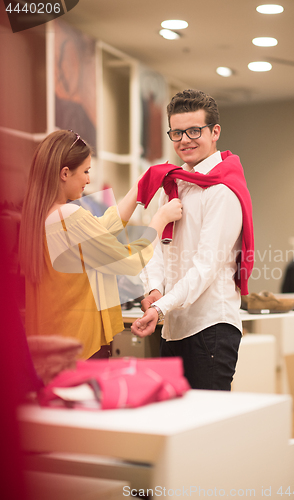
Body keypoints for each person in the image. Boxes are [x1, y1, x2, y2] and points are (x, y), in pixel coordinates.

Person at [19, 130, 182, 359]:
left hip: (52, 345)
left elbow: (103, 227)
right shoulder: (69, 217)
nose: (88, 179)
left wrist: (141, 186)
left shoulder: (41, 217)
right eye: (85, 172)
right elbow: (129, 262)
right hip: (79, 345)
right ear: (65, 173)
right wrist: (160, 218)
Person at [131, 89, 254, 390]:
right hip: (174, 327)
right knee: (176, 425)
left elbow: (205, 267)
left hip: (211, 326)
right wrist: (155, 289)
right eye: (176, 132)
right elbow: (159, 247)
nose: (184, 140)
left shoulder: (222, 190)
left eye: (194, 131)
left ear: (215, 132)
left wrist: (161, 308)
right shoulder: (174, 184)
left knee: (209, 430)